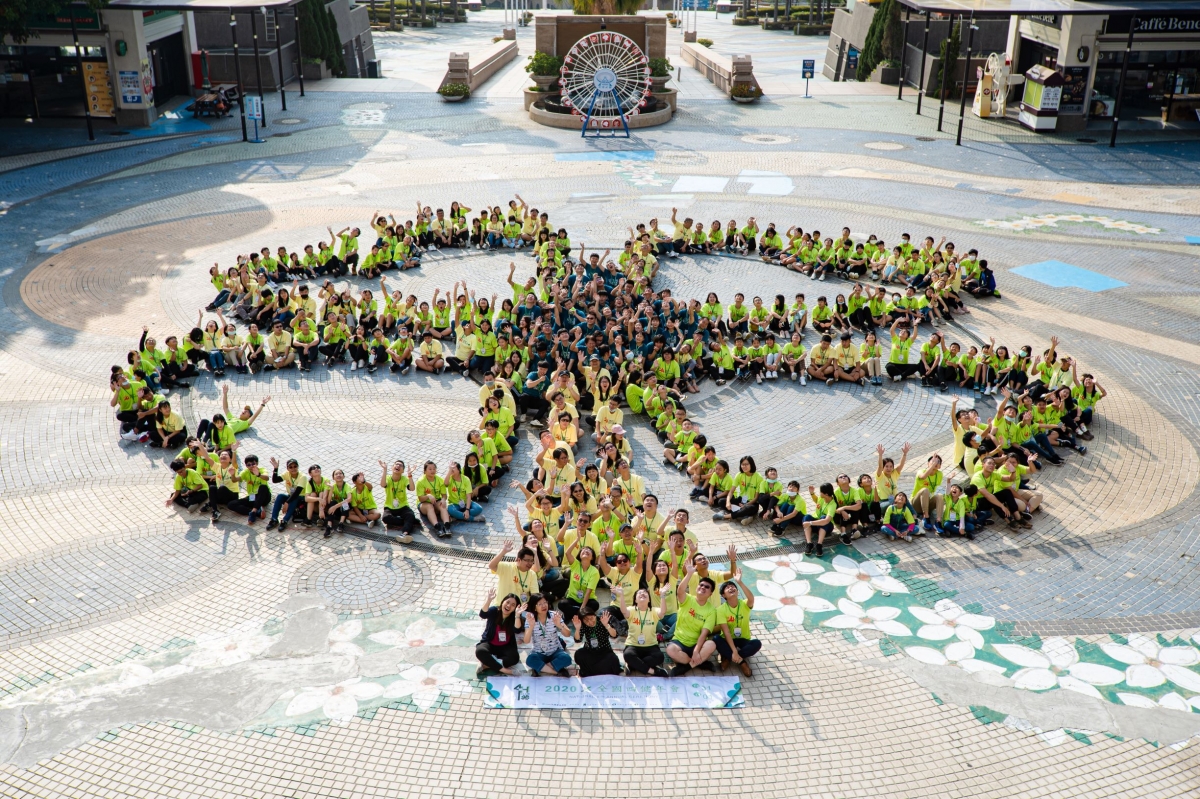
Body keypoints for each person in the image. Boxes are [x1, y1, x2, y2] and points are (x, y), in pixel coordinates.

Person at [664, 560, 718, 676]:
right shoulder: (688, 599)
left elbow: (704, 634)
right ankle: (700, 663)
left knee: (711, 644)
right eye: (701, 585)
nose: (703, 587)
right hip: (679, 641)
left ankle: (687, 667)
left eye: (707, 587)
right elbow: (680, 591)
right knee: (670, 650)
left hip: (696, 643)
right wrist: (689, 574)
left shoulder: (711, 610)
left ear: (710, 593)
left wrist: (696, 651)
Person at [714, 571, 760, 677]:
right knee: (716, 639)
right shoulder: (720, 610)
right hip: (728, 639)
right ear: (723, 595)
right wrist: (734, 650)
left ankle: (729, 657)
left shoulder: (744, 604)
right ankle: (741, 662)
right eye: (727, 588)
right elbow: (726, 632)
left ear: (737, 591)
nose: (731, 588)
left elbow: (751, 599)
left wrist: (739, 582)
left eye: (733, 586)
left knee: (757, 643)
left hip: (743, 638)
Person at [617, 586, 669, 677]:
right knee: (628, 655)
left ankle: (633, 665)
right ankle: (654, 671)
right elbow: (624, 611)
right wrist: (621, 595)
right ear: (635, 600)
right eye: (639, 593)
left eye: (645, 592)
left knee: (660, 657)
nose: (642, 593)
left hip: (651, 645)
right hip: (633, 645)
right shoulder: (632, 610)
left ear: (649, 600)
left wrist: (662, 595)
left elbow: (663, 612)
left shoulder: (653, 611)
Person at [522, 593, 575, 677]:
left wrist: (559, 625)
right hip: (539, 652)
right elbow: (526, 641)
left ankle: (542, 667)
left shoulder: (554, 615)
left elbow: (568, 634)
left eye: (545, 602)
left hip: (555, 651)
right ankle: (556, 672)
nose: (544, 606)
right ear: (534, 607)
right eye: (540, 604)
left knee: (567, 659)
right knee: (530, 660)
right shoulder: (530, 618)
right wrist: (531, 627)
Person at [475, 587, 523, 678]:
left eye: (513, 605)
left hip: (505, 646)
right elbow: (482, 614)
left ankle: (486, 665)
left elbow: (517, 630)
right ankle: (504, 670)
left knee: (514, 658)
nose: (509, 606)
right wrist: (489, 600)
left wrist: (517, 615)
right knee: (480, 651)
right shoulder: (494, 611)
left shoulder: (515, 617)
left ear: (515, 608)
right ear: (503, 602)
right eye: (507, 602)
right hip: (489, 643)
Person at [571, 599, 621, 677]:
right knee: (579, 654)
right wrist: (577, 629)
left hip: (604, 651)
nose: (590, 622)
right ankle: (598, 669)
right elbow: (577, 640)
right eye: (586, 621)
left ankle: (592, 670)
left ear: (594, 615)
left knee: (613, 659)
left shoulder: (602, 620)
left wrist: (607, 625)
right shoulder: (583, 625)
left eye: (591, 618)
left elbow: (614, 635)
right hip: (590, 651)